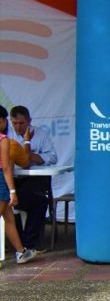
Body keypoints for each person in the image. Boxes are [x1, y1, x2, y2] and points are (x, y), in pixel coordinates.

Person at [7, 105, 58, 251]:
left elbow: (53, 157)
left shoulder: (40, 134)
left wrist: (34, 157)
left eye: (21, 123)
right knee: (35, 202)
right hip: (12, 180)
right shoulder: (8, 136)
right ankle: (24, 243)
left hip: (33, 179)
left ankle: (28, 243)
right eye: (15, 123)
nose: (18, 127)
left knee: (37, 199)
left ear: (29, 121)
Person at [0, 106, 38, 264]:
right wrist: (13, 191)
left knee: (8, 218)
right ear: (2, 121)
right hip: (0, 181)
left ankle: (21, 252)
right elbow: (6, 167)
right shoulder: (3, 140)